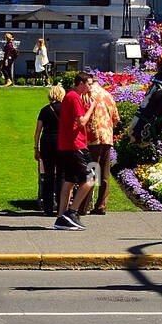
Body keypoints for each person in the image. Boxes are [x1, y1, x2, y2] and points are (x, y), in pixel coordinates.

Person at [55, 72, 98, 230]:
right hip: (76, 145)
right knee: (91, 178)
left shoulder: (71, 96)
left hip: (67, 145)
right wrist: (91, 108)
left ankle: (61, 217)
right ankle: (72, 212)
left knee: (70, 181)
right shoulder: (74, 97)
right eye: (88, 83)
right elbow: (81, 122)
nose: (90, 86)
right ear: (80, 83)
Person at [78, 79, 118, 216]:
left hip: (92, 138)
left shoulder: (87, 95)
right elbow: (116, 118)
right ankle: (101, 205)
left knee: (91, 173)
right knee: (105, 174)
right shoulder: (108, 95)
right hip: (107, 137)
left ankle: (82, 207)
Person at [35, 85, 65, 217]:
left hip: (47, 143)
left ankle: (47, 207)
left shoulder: (45, 110)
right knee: (61, 175)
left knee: (48, 176)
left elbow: (38, 131)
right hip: (62, 143)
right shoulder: (66, 109)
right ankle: (60, 206)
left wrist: (36, 148)